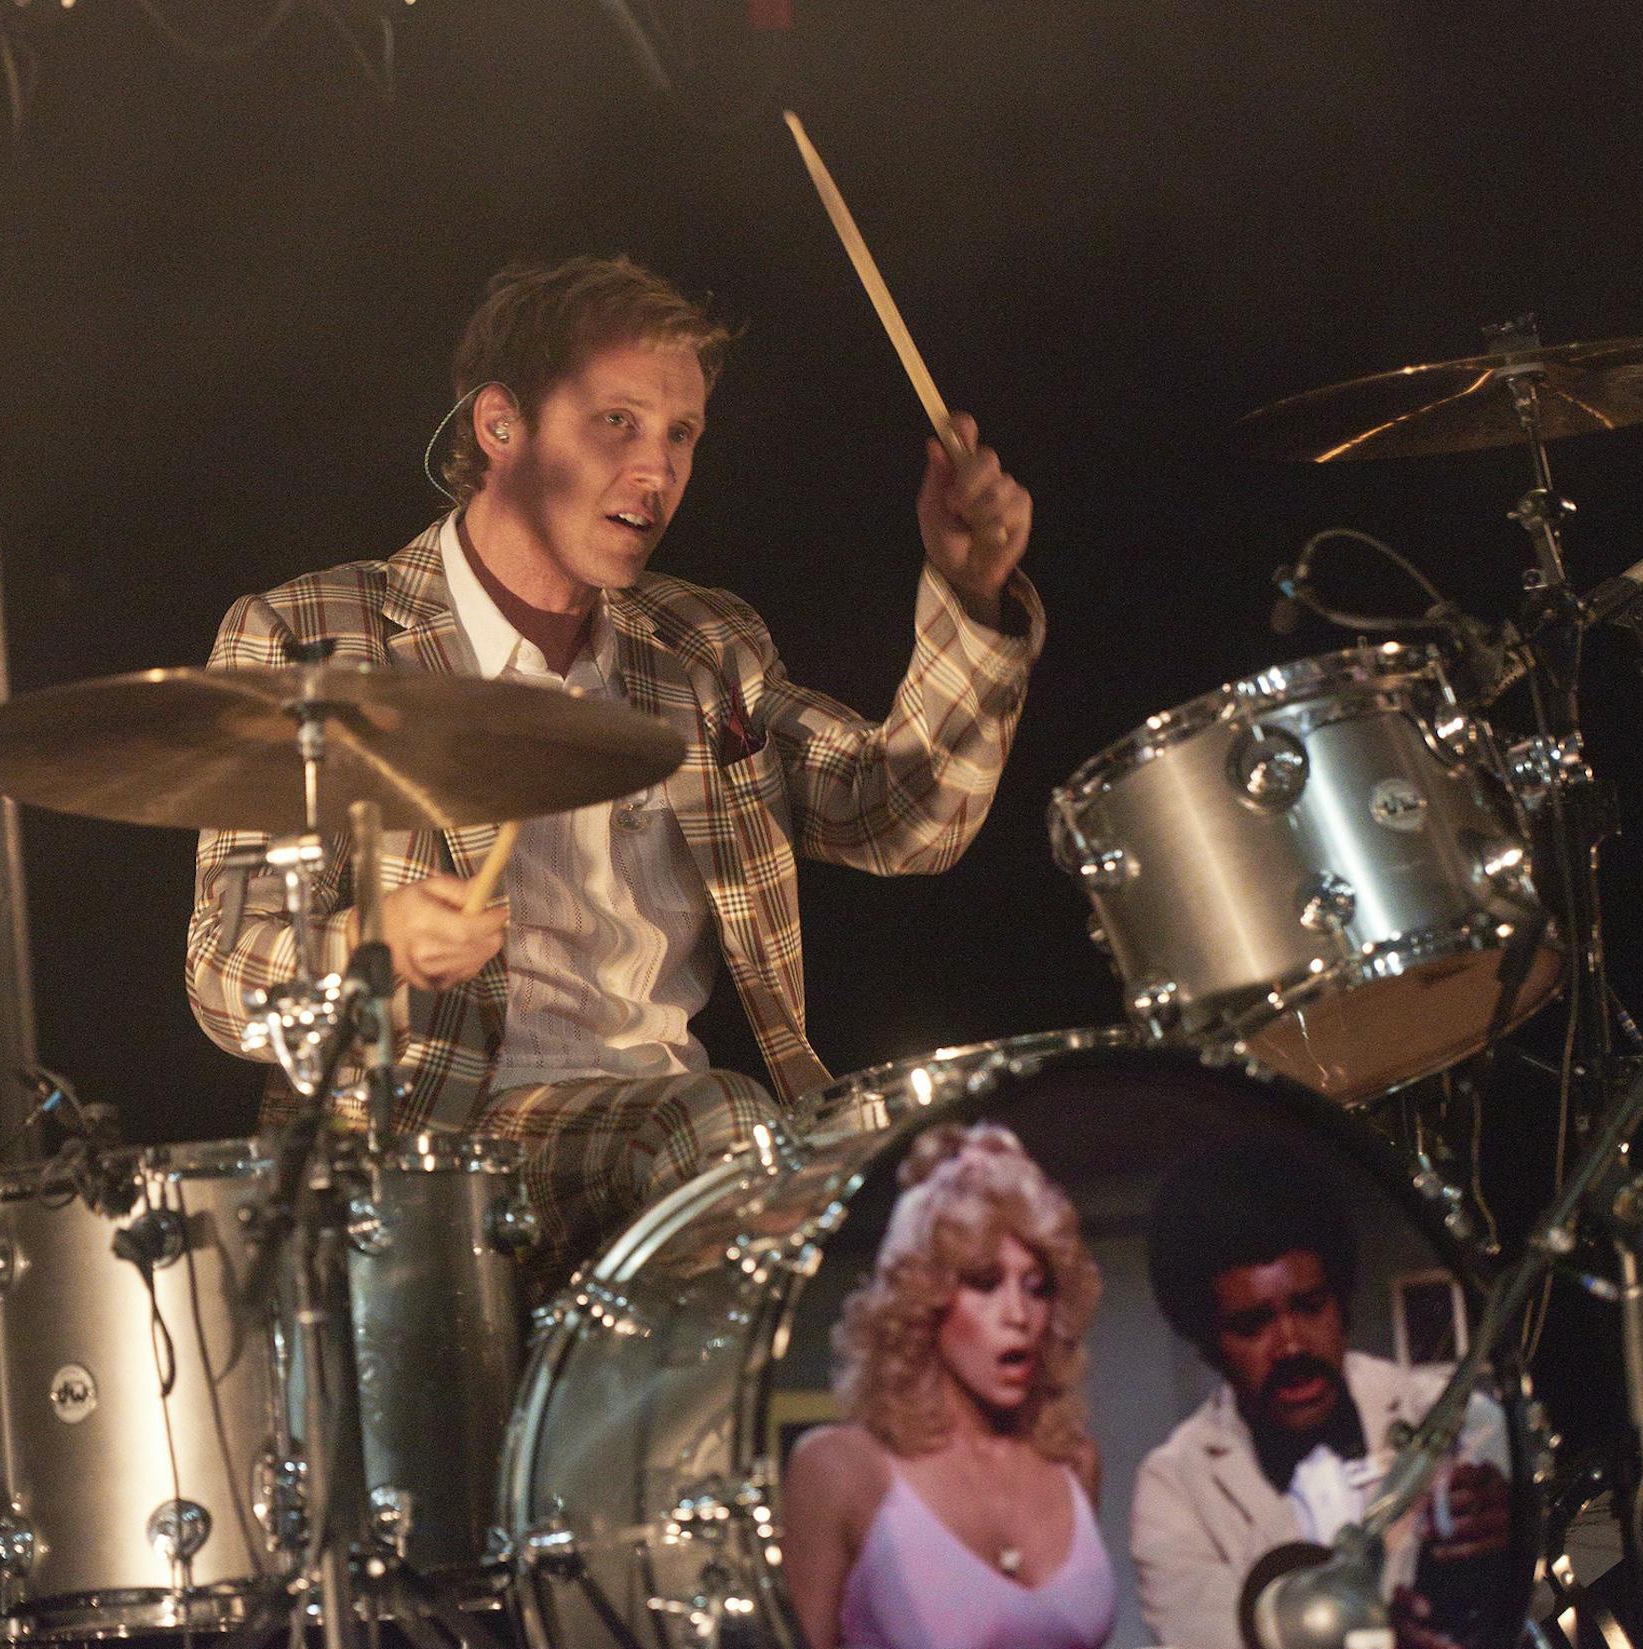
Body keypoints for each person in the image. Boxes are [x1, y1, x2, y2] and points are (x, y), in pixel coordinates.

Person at [186, 256, 1043, 1264]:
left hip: (676, 1138)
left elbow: (902, 819)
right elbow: (224, 971)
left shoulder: (699, 646)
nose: (657, 471)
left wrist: (971, 599)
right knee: (715, 1124)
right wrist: (364, 942)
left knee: (971, 1166)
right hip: (425, 1162)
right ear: (500, 426)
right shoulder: (317, 638)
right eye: (618, 423)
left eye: (681, 435)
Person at [1132, 1140, 1515, 1649]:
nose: (1290, 1346)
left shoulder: (1462, 1419)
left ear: (1342, 1301)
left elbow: (1538, 1605)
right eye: (1253, 1325)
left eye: (1310, 1306)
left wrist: (1510, 1551)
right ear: (1209, 1344)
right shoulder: (1174, 1488)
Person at [782, 1122, 1117, 1649]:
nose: (1018, 1314)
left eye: (1037, 1287)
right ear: (924, 1300)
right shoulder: (841, 1470)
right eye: (985, 1283)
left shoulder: (1074, 1461)